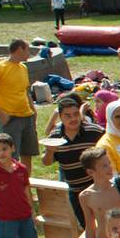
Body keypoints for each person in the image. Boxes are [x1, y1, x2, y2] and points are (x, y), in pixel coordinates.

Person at [42, 95, 105, 226]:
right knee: (87, 226)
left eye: (76, 114)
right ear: (60, 117)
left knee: (106, 223)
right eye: (68, 116)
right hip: (76, 192)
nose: (73, 119)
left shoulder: (94, 131)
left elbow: (109, 147)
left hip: (98, 188)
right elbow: (46, 162)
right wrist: (50, 151)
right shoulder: (55, 137)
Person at [0, 39, 38, 168]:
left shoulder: (23, 68)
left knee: (27, 155)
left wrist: (33, 110)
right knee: (10, 158)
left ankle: (25, 185)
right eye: (28, 50)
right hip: (11, 119)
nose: (29, 53)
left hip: (27, 117)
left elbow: (25, 91)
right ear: (19, 49)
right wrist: (1, 115)